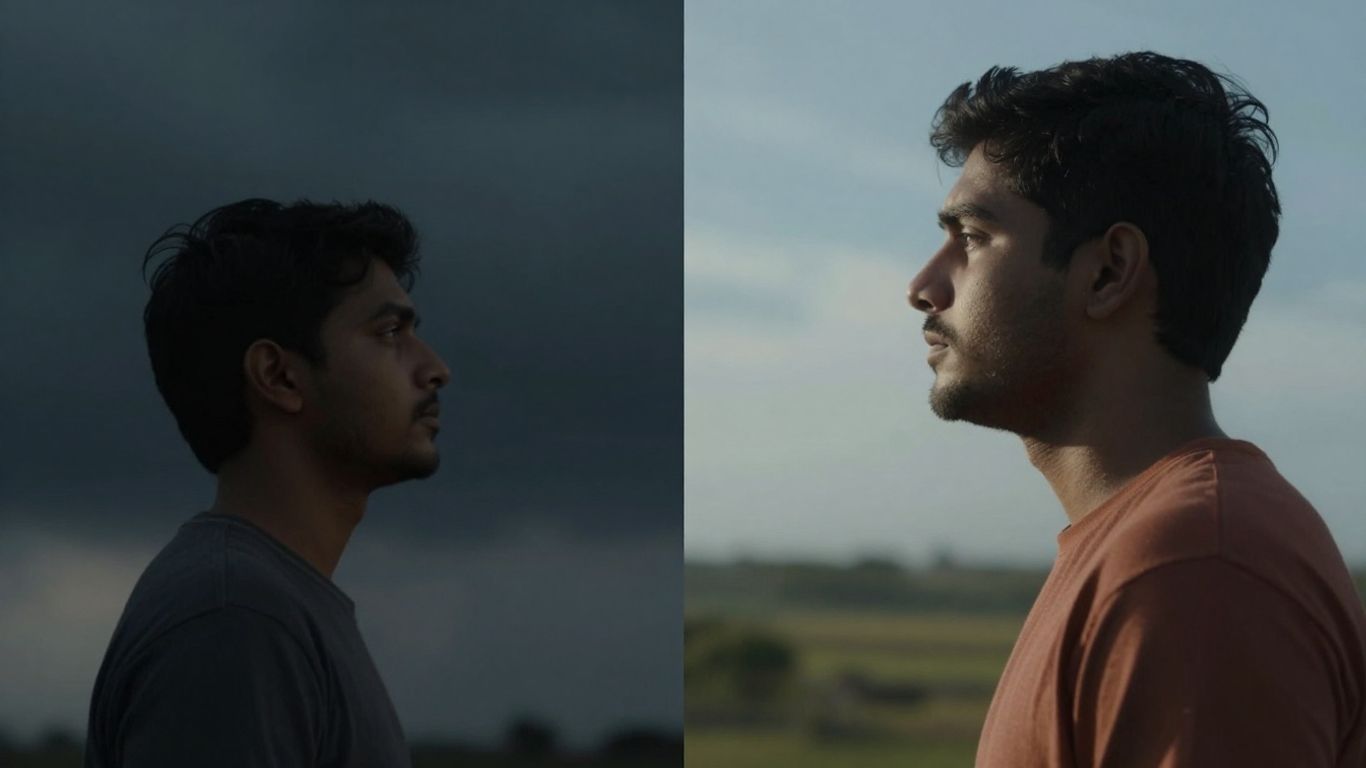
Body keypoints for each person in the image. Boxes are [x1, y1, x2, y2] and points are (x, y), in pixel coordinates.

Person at [907, 52, 1365, 766]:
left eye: (971, 238)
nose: (925, 285)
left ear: (1110, 271)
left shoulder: (1195, 566)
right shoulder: (1153, 544)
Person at [85, 198, 450, 767]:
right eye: (388, 332)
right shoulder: (236, 621)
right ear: (278, 376)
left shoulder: (268, 607)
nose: (434, 367)